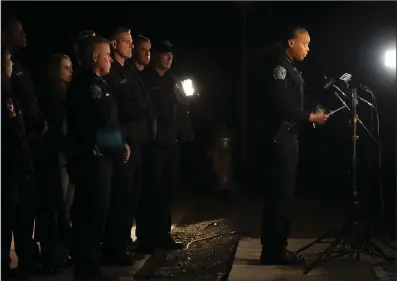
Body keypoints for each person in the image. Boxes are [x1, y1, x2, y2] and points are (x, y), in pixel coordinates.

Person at [260, 26, 329, 265]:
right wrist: (311, 118)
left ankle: (277, 247)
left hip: (290, 137)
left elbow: (295, 101)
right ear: (291, 42)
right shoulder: (280, 68)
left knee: (285, 194)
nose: (308, 49)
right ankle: (273, 250)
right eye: (304, 43)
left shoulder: (290, 68)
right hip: (281, 139)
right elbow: (280, 105)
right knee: (279, 195)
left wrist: (312, 111)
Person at [65, 36, 130, 280]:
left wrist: (120, 143)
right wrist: (118, 146)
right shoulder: (89, 85)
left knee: (97, 214)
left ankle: (91, 267)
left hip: (101, 158)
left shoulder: (98, 83)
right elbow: (99, 122)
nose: (110, 60)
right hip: (93, 160)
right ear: (94, 58)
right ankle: (87, 270)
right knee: (91, 214)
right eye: (106, 55)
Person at [135, 40, 194, 254]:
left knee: (167, 193)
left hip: (172, 143)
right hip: (153, 145)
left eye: (172, 54)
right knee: (150, 192)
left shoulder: (173, 80)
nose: (169, 58)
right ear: (155, 56)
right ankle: (146, 238)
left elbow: (183, 108)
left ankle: (163, 235)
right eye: (165, 54)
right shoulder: (145, 80)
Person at [102, 27, 154, 264]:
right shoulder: (110, 72)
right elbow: (116, 108)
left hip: (138, 142)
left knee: (131, 197)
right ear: (114, 45)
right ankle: (114, 249)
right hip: (125, 142)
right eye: (128, 42)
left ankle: (123, 243)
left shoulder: (129, 69)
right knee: (120, 199)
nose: (132, 47)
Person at [35, 54, 74, 272]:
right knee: (56, 203)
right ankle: (53, 252)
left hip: (67, 153)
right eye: (65, 67)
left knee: (66, 203)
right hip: (56, 154)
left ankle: (62, 248)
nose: (70, 70)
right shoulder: (50, 95)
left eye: (71, 66)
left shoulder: (68, 94)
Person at [1, 46, 36, 280]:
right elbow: (12, 131)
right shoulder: (5, 95)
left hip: (17, 165)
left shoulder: (11, 91)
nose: (12, 65)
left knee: (21, 217)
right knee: (9, 218)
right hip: (10, 167)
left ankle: (25, 263)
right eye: (8, 60)